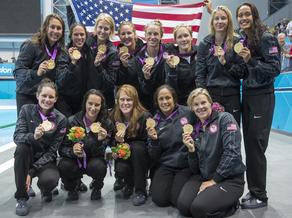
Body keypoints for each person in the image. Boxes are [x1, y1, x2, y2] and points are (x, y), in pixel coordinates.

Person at [236, 2, 281, 209]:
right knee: (250, 145)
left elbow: (275, 68)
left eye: (247, 14)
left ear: (254, 16)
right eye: (240, 15)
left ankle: (260, 195)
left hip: (262, 96)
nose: (243, 18)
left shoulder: (266, 37)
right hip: (250, 95)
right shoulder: (245, 39)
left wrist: (251, 61)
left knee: (256, 147)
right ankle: (254, 189)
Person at [177, 88, 245, 218]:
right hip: (205, 176)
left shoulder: (225, 119)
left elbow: (232, 153)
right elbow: (195, 169)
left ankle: (232, 204)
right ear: (191, 107)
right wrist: (191, 150)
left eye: (203, 102)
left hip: (229, 179)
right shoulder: (195, 128)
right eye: (196, 104)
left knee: (199, 209)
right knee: (184, 206)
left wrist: (215, 180)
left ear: (210, 103)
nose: (200, 107)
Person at [13, 79, 67, 216]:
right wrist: (33, 137)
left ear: (56, 99)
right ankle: (21, 196)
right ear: (37, 95)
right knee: (21, 149)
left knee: (49, 180)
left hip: (45, 160)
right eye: (44, 95)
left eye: (51, 97)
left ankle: (44, 188)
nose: (47, 99)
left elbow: (52, 151)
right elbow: (17, 136)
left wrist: (31, 172)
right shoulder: (26, 110)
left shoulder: (61, 119)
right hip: (27, 156)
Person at [58, 89, 114, 201]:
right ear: (85, 103)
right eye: (90, 103)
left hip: (93, 159)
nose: (93, 108)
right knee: (63, 165)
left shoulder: (106, 124)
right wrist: (72, 151)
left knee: (99, 166)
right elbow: (62, 148)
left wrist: (99, 141)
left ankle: (97, 187)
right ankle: (72, 187)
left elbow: (105, 152)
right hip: (74, 160)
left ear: (101, 106)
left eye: (97, 105)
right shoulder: (71, 121)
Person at [196, 6, 246, 126]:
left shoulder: (237, 42)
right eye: (216, 18)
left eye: (223, 18)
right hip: (211, 95)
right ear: (212, 22)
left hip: (231, 95)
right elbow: (200, 73)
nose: (220, 21)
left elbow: (242, 72)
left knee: (232, 131)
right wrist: (203, 97)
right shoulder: (205, 43)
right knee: (212, 133)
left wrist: (225, 62)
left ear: (228, 20)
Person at [146, 85, 194, 207]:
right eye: (161, 99)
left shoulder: (188, 113)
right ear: (156, 102)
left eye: (168, 98)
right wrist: (154, 141)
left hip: (185, 165)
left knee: (176, 199)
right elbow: (154, 156)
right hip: (166, 165)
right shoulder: (153, 122)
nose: (165, 102)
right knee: (159, 200)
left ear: (174, 99)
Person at [13, 14, 67, 116]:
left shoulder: (61, 51)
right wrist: (36, 73)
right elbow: (18, 72)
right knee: (28, 129)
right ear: (46, 28)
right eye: (52, 27)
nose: (55, 31)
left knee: (47, 129)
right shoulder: (31, 45)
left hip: (47, 98)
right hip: (28, 96)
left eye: (59, 28)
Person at [111, 84, 150, 206]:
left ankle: (141, 190)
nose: (125, 103)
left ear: (135, 101)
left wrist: (130, 145)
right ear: (117, 101)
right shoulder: (113, 116)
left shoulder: (144, 116)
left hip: (141, 155)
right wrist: (117, 143)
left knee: (137, 149)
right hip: (124, 152)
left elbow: (147, 142)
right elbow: (110, 142)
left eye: (129, 100)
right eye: (122, 99)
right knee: (121, 168)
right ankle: (128, 183)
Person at [127, 20, 166, 112]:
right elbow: (145, 90)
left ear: (161, 36)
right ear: (145, 35)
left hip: (165, 102)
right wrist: (147, 78)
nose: (152, 37)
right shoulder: (137, 59)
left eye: (156, 34)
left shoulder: (168, 53)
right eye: (149, 34)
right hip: (145, 106)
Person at [57, 23, 94, 117]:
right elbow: (61, 81)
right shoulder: (64, 52)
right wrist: (72, 63)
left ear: (86, 36)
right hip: (65, 101)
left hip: (82, 100)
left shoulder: (89, 52)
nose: (79, 37)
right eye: (76, 34)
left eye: (82, 34)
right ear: (71, 36)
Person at [87, 13, 120, 109]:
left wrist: (99, 66)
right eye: (100, 27)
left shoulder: (113, 52)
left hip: (104, 101)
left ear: (111, 31)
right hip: (86, 97)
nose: (102, 31)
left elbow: (110, 83)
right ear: (96, 27)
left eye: (106, 29)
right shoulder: (87, 42)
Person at [165, 24, 197, 105]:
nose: (183, 39)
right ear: (175, 40)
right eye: (179, 37)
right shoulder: (171, 59)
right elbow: (170, 89)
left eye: (186, 35)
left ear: (191, 37)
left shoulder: (200, 52)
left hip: (199, 100)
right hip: (181, 103)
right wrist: (172, 70)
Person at [116, 21, 144, 86]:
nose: (126, 36)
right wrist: (124, 67)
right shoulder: (116, 54)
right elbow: (117, 82)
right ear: (119, 36)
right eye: (123, 34)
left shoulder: (144, 50)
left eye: (129, 33)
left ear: (134, 34)